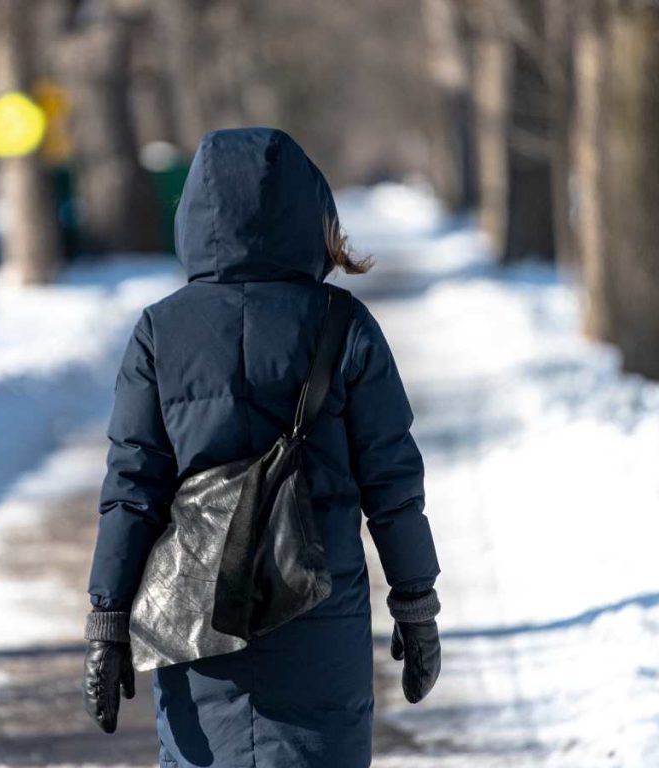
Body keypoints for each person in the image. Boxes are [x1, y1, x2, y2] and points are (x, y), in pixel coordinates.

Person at [82, 127, 441, 768]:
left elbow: (132, 488)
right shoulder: (343, 324)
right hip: (320, 618)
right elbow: (393, 479)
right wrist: (414, 599)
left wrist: (108, 619)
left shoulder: (160, 333)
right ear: (310, 213)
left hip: (197, 621)